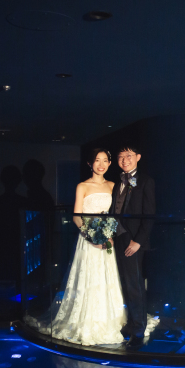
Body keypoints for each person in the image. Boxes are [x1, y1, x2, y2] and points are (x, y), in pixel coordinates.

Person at [37, 148, 127, 345]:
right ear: (90, 163)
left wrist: (109, 234)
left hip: (107, 240)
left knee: (107, 277)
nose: (101, 164)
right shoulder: (83, 186)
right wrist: (92, 236)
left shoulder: (113, 185)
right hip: (89, 239)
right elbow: (77, 216)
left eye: (105, 160)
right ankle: (87, 320)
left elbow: (116, 215)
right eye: (97, 160)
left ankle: (110, 319)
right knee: (89, 277)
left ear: (110, 163)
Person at [111, 146, 156, 348]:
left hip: (134, 241)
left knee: (135, 285)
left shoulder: (146, 181)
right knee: (125, 282)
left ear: (138, 157)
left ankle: (138, 329)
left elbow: (149, 214)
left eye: (129, 156)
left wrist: (138, 241)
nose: (125, 160)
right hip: (119, 237)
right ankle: (131, 323)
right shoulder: (118, 182)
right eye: (121, 156)